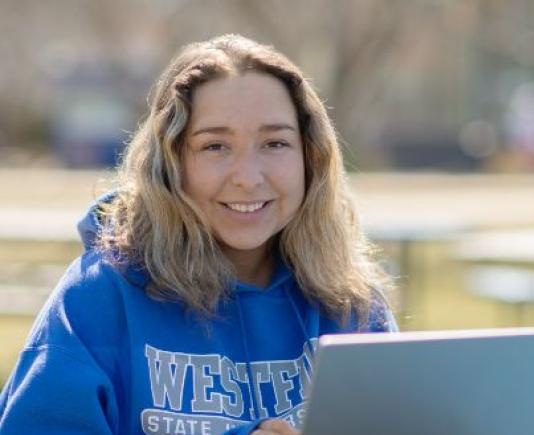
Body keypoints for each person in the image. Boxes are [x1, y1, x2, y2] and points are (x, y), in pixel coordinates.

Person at [0, 34, 397, 435]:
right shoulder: (97, 298)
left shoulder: (351, 307)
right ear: (170, 162)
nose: (248, 177)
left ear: (311, 158)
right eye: (215, 147)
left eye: (275, 143)